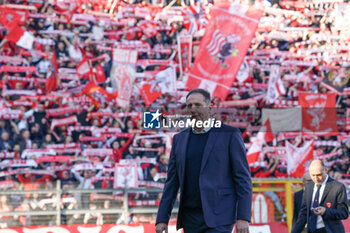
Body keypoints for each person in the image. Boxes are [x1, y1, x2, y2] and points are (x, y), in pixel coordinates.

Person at [155, 89, 252, 233]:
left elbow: (243, 178)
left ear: (210, 107)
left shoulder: (230, 135)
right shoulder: (179, 139)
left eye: (198, 105)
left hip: (220, 217)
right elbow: (172, 182)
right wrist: (162, 218)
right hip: (190, 219)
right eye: (189, 106)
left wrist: (243, 217)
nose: (193, 109)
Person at [291, 160, 349, 233]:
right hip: (312, 230)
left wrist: (326, 211)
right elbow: (304, 213)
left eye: (319, 175)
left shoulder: (338, 187)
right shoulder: (309, 186)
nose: (316, 178)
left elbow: (344, 213)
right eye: (313, 175)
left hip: (331, 230)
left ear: (325, 170)